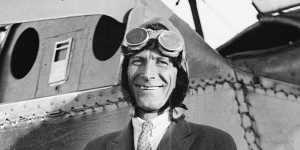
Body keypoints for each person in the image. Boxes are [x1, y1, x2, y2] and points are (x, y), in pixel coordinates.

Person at [84, 17, 237, 150]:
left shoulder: (215, 143)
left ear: (179, 74)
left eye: (162, 62)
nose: (148, 74)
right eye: (138, 61)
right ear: (125, 73)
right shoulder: (96, 147)